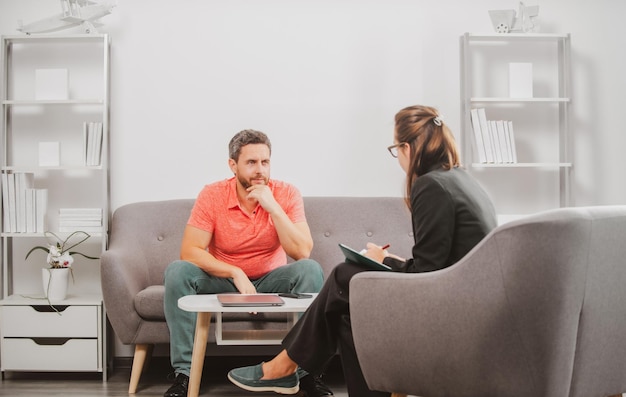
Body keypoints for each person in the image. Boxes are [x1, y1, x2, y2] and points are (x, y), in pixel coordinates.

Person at [227, 105, 498, 396]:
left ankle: (283, 366)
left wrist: (384, 262)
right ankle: (286, 367)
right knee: (347, 314)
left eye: (396, 149)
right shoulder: (460, 179)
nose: (398, 159)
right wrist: (385, 262)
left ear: (406, 147)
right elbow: (438, 267)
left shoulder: (431, 185)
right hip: (469, 302)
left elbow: (427, 273)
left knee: (345, 273)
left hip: (451, 308)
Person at [162, 129, 331, 397]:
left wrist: (273, 206)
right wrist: (234, 272)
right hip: (225, 280)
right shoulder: (213, 194)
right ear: (233, 165)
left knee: (310, 270)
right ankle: (184, 374)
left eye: (265, 162)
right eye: (251, 162)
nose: (260, 170)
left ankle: (305, 373)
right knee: (177, 271)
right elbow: (190, 250)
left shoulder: (286, 193)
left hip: (273, 278)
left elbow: (302, 252)